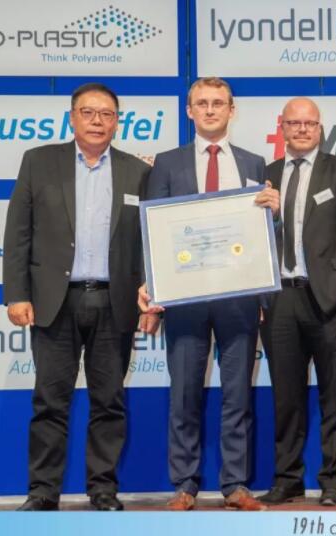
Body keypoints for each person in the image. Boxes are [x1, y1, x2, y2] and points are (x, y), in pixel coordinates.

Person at [3, 82, 150, 511]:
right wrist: (16, 294)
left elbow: (149, 242)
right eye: (88, 112)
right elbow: (18, 233)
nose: (97, 121)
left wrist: (152, 296)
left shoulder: (137, 172)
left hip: (114, 303)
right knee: (50, 403)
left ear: (118, 122)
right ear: (72, 118)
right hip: (55, 302)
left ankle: (102, 489)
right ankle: (42, 492)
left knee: (109, 403)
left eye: (107, 114)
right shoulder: (38, 162)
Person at [137, 77, 279, 511]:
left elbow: (261, 234)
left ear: (232, 110)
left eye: (219, 103)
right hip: (185, 298)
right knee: (184, 394)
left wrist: (274, 213)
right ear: (189, 110)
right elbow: (153, 232)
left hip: (239, 297)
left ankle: (235, 485)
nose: (211, 109)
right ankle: (185, 484)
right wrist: (154, 286)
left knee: (238, 395)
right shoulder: (167, 163)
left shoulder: (254, 162)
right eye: (202, 103)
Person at [257, 97, 336, 507]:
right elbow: (252, 241)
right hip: (280, 300)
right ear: (283, 128)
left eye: (310, 123)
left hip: (330, 300)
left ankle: (333, 481)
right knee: (285, 397)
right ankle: (287, 478)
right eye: (294, 123)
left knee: (335, 395)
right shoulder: (267, 175)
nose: (303, 129)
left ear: (320, 128)